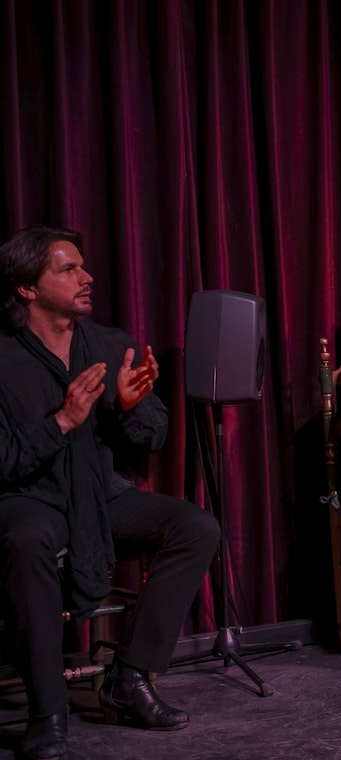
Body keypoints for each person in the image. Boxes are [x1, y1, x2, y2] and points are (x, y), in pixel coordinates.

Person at [0, 227, 221, 759]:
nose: (87, 277)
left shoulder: (110, 343)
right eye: (68, 269)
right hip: (30, 498)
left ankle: (131, 676)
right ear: (27, 288)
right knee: (27, 540)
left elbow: (155, 434)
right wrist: (61, 422)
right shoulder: (4, 357)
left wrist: (125, 408)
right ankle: (47, 712)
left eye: (84, 266)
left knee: (196, 527)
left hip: (101, 493)